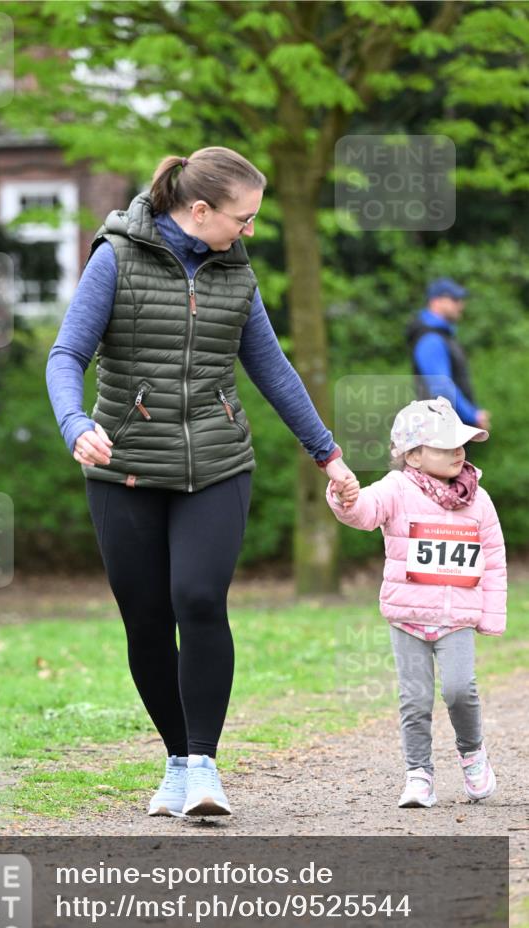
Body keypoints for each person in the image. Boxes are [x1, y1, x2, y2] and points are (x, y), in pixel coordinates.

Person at [46, 146, 358, 818]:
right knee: (147, 620)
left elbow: (271, 370)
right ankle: (177, 762)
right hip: (123, 469)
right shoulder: (116, 259)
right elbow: (67, 353)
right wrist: (74, 423)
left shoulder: (234, 274)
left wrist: (327, 454)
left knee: (197, 597)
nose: (249, 230)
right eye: (241, 218)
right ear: (198, 211)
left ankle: (204, 764)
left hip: (216, 462)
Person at [326, 396, 506, 808]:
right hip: (407, 615)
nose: (458, 452)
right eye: (444, 446)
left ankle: (472, 754)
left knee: (460, 690)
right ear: (414, 456)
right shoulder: (395, 489)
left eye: (460, 443)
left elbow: (494, 559)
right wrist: (344, 497)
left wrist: (491, 615)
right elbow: (364, 513)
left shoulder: (479, 500)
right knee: (415, 699)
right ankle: (419, 774)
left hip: (456, 616)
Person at [406, 277, 490, 433]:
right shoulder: (430, 338)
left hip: (447, 427)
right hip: (441, 431)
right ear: (436, 301)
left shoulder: (440, 335)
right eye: (455, 299)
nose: (461, 304)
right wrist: (473, 415)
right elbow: (442, 387)